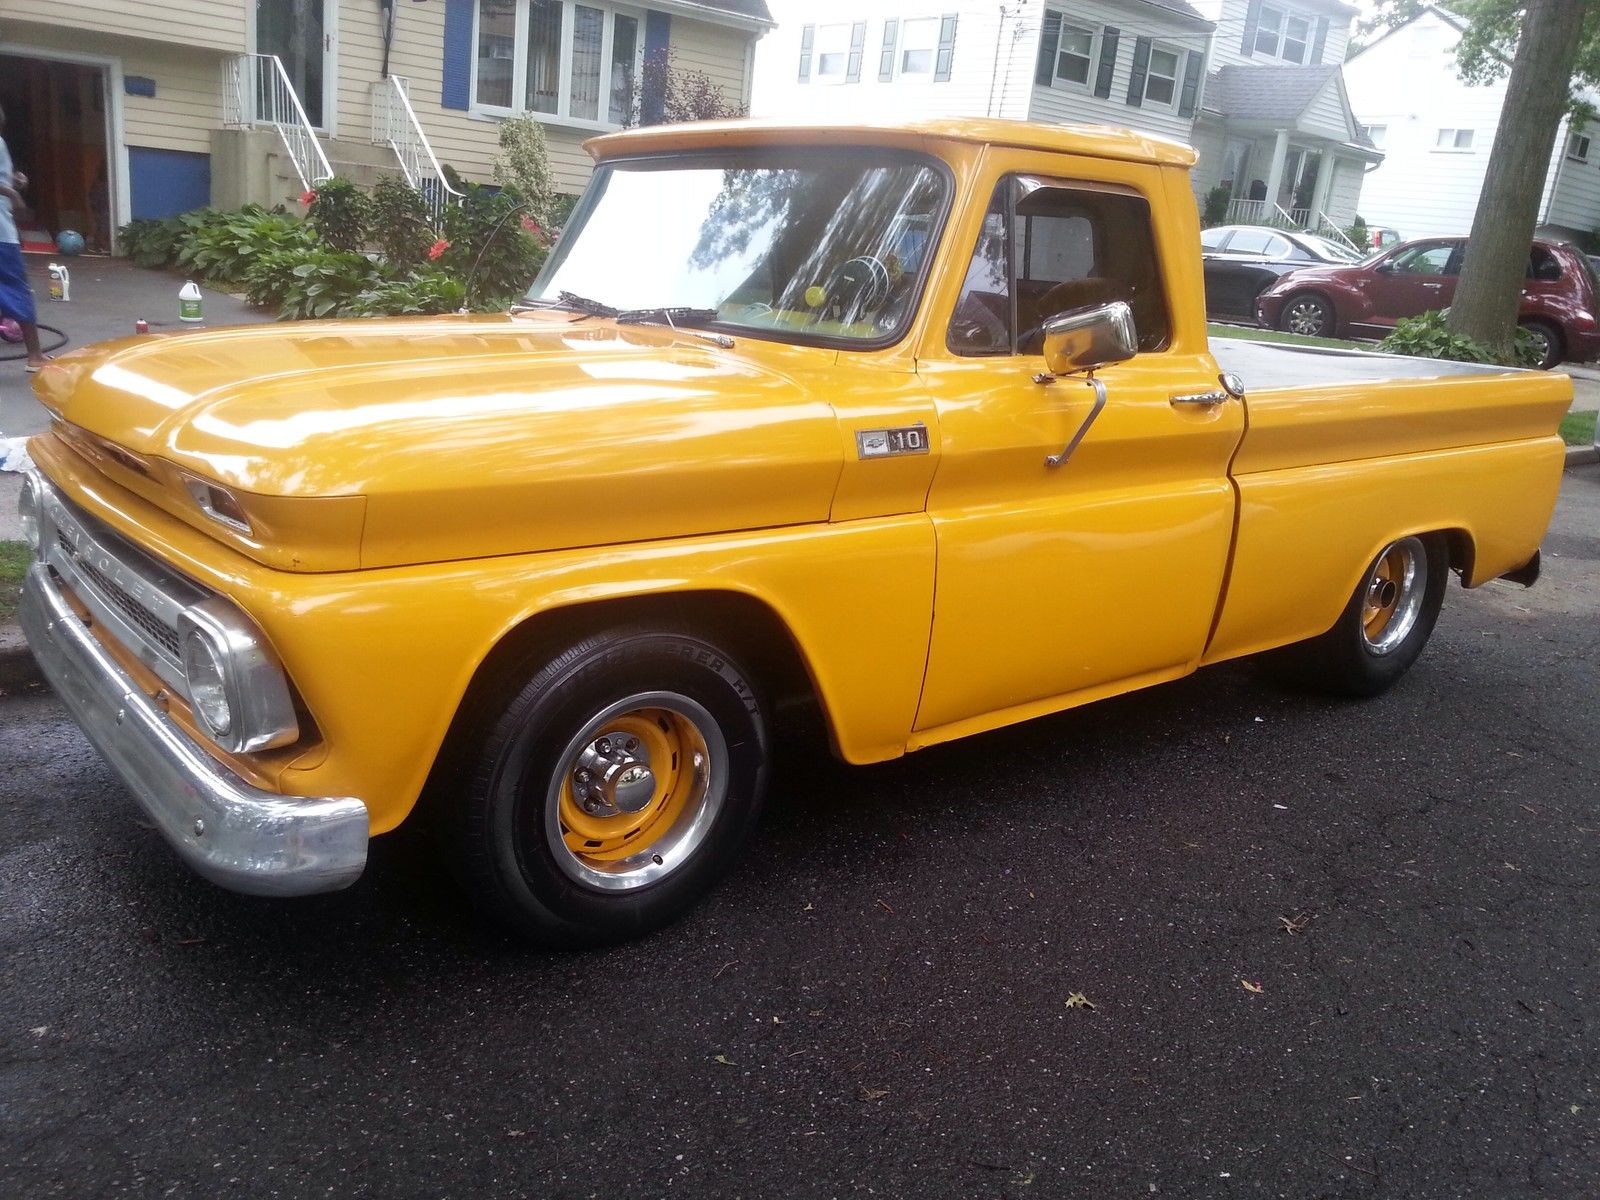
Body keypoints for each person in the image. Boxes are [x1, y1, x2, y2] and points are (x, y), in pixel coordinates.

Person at [0, 102, 47, 372]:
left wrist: (15, 181)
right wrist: (12, 194)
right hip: (2, 237)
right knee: (17, 289)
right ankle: (35, 357)